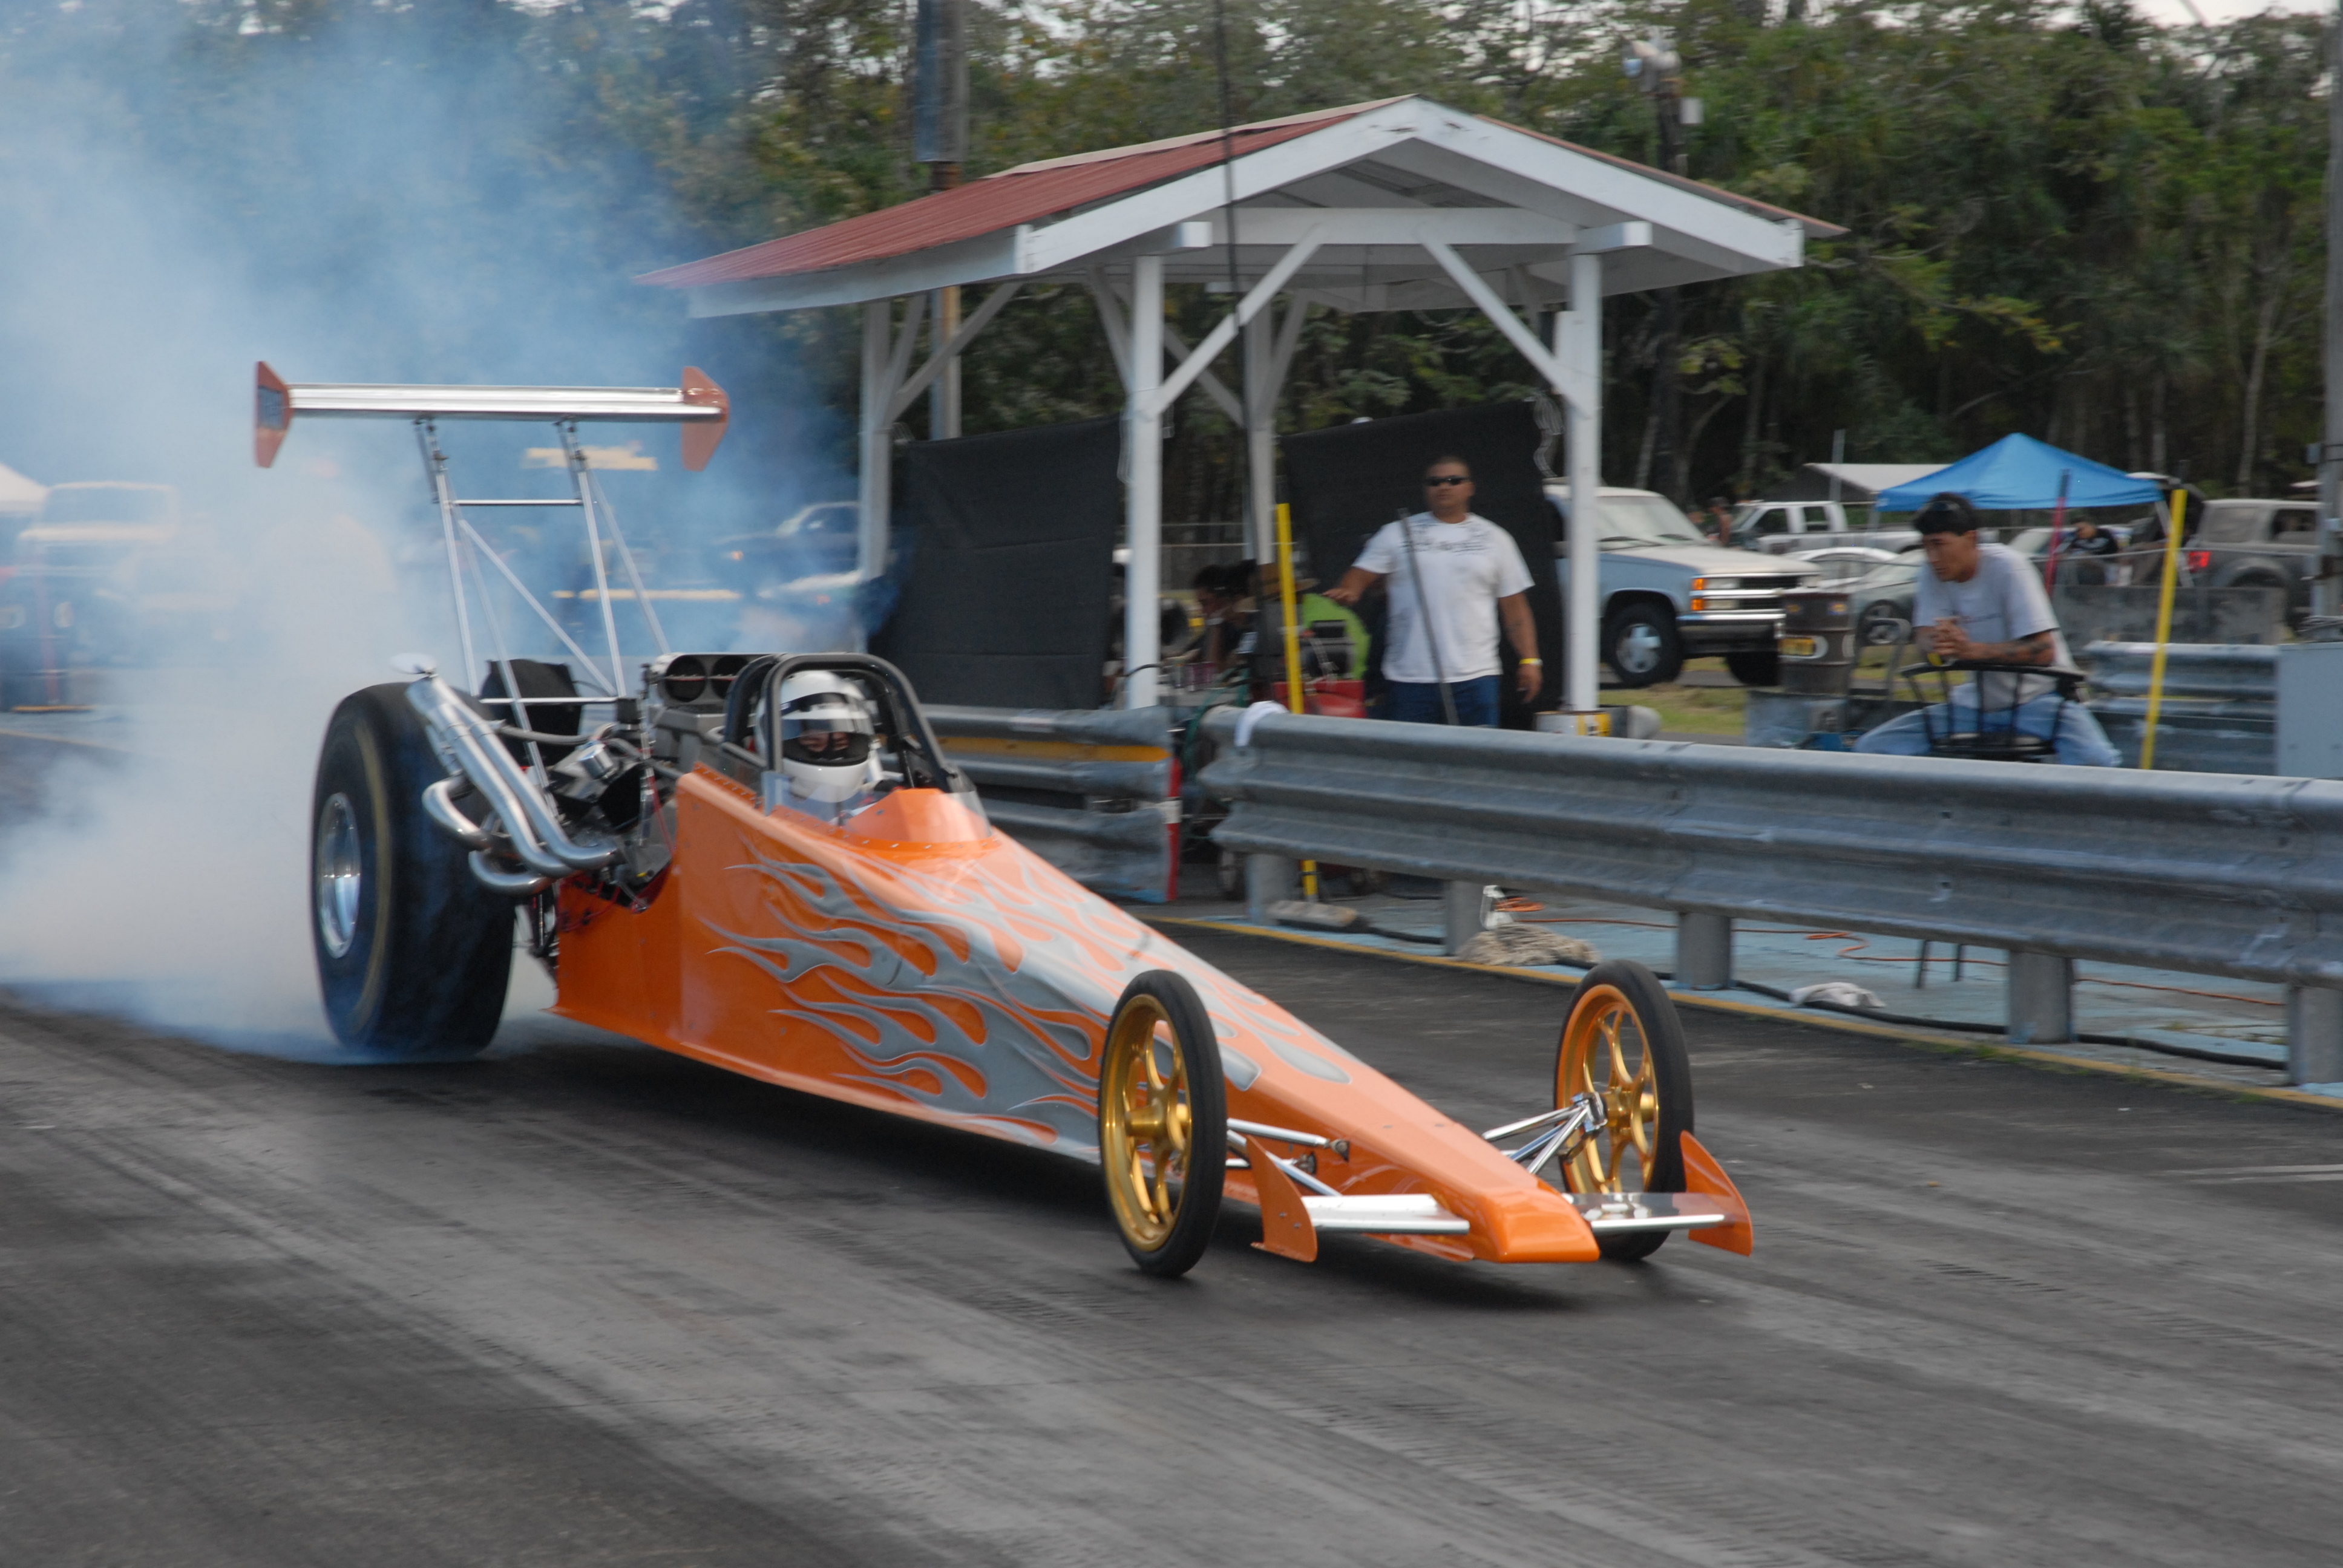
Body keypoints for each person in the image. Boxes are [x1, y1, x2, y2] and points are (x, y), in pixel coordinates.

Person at [1853, 492, 2120, 766]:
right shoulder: (1932, 573)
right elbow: (1925, 638)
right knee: (1873, 748)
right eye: (1926, 547)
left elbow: (2043, 651)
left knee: (2097, 761)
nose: (1932, 558)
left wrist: (1970, 651)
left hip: (2040, 702)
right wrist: (1938, 643)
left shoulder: (2009, 568)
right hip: (1973, 705)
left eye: (1939, 545)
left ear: (1971, 538)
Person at [1325, 454, 1541, 726]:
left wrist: (1530, 660)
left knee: (1474, 757)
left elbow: (1515, 608)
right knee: (1414, 760)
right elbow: (1360, 573)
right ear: (1426, 489)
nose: (1444, 487)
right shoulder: (1397, 533)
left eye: (1454, 480)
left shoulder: (1495, 539)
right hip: (1410, 678)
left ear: (1470, 488)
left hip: (1476, 676)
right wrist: (1350, 590)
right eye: (1435, 482)